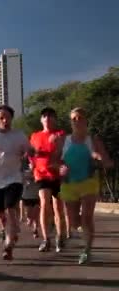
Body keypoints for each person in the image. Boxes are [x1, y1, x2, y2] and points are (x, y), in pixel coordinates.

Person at [58, 107, 113, 264]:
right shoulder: (64, 141)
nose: (77, 121)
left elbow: (105, 159)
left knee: (87, 218)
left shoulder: (93, 140)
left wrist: (100, 158)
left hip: (89, 182)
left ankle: (87, 250)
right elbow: (54, 161)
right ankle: (84, 230)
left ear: (86, 121)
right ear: (71, 122)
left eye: (80, 118)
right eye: (74, 118)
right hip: (69, 184)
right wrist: (60, 167)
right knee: (74, 222)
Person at [0, 105, 31, 261]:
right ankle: (10, 231)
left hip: (14, 178)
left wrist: (27, 154)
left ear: (12, 118)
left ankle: (8, 246)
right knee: (0, 214)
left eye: (7, 117)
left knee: (10, 209)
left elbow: (29, 151)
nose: (4, 120)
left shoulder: (19, 135)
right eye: (1, 118)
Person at [30, 107, 66, 253]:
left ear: (55, 119)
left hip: (57, 175)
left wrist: (57, 143)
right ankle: (46, 239)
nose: (47, 118)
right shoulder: (34, 136)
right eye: (45, 116)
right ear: (41, 119)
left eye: (51, 116)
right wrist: (31, 161)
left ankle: (59, 237)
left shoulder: (60, 134)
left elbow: (61, 151)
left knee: (58, 208)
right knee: (44, 203)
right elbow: (31, 154)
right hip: (41, 174)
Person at [22, 161, 41, 239]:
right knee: (29, 216)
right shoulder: (25, 173)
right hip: (27, 196)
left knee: (36, 215)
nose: (32, 165)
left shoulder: (38, 172)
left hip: (36, 196)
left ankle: (35, 230)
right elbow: (21, 181)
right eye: (31, 164)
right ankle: (30, 220)